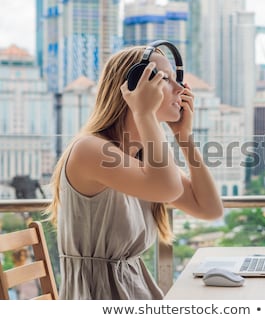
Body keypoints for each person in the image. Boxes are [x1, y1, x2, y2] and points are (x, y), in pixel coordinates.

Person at [46, 46, 224, 299]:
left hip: (133, 291)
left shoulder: (139, 159)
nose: (181, 89)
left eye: (177, 79)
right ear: (133, 88)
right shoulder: (90, 150)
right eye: (164, 79)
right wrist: (144, 113)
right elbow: (168, 189)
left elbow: (209, 209)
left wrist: (184, 137)